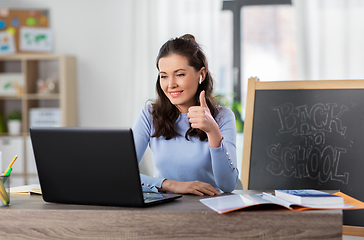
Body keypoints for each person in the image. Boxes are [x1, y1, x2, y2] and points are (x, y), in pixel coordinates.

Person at [132, 34, 239, 196]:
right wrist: (171, 185)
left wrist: (213, 132)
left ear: (201, 74)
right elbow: (122, 174)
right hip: (164, 210)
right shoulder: (150, 115)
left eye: (180, 74)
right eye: (164, 76)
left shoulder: (223, 116)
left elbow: (228, 185)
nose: (170, 85)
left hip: (210, 208)